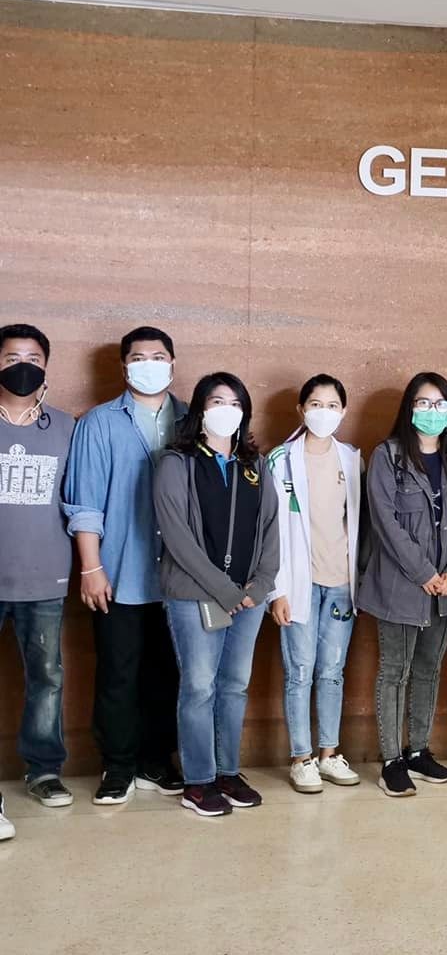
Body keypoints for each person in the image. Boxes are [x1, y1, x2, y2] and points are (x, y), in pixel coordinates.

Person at [62, 326, 185, 806]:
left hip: (179, 578)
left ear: (172, 364)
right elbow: (85, 503)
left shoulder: (192, 420)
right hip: (119, 571)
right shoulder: (98, 423)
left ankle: (156, 760)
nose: (148, 364)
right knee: (118, 673)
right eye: (138, 357)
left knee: (167, 674)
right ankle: (117, 766)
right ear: (123, 366)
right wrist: (91, 568)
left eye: (158, 356)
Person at [152, 373, 280, 819]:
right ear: (200, 410)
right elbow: (177, 538)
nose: (227, 409)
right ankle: (199, 781)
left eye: (235, 403)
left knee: (234, 686)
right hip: (195, 595)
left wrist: (261, 585)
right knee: (199, 686)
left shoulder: (255, 464)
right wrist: (226, 590)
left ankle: (227, 772)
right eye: (216, 401)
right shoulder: (176, 463)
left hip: (249, 599)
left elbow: (271, 528)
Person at [358, 372, 447, 798]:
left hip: (445, 589)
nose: (432, 411)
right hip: (400, 585)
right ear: (409, 408)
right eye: (423, 403)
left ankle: (418, 750)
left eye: (440, 404)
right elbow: (385, 523)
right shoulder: (388, 456)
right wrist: (424, 573)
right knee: (394, 671)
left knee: (428, 669)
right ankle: (391, 761)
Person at [267, 375, 364, 794]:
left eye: (332, 405)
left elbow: (357, 523)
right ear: (301, 410)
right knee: (300, 672)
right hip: (298, 585)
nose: (323, 412)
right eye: (315, 404)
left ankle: (329, 754)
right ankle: (301, 758)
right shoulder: (280, 460)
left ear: (343, 411)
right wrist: (277, 591)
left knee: (332, 672)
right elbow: (271, 532)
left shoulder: (352, 460)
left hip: (341, 583)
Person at [0, 324, 77, 839]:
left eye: (32, 358)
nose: (22, 366)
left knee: (47, 678)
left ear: (46, 366)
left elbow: (79, 501)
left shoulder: (66, 428)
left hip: (45, 579)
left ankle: (44, 770)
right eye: (11, 358)